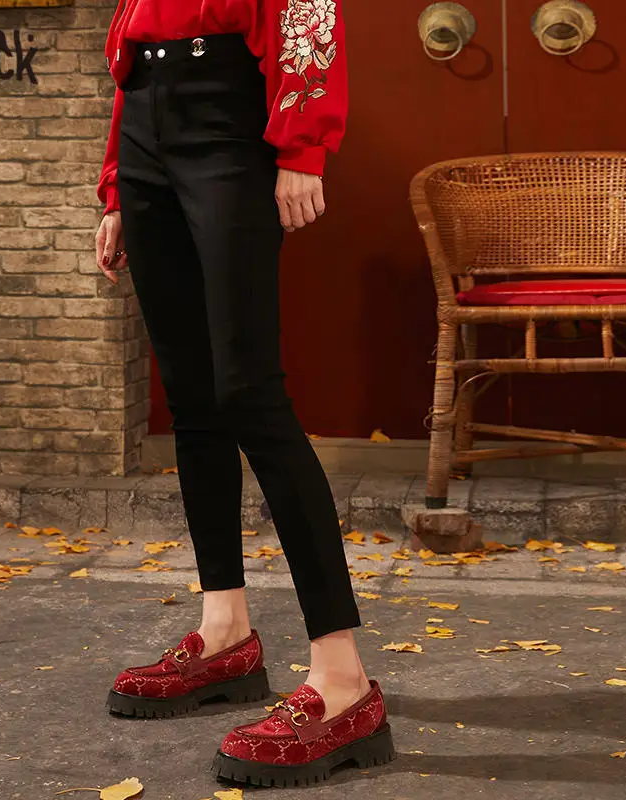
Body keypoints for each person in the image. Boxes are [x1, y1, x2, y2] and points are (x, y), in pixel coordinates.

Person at [94, 0, 394, 787]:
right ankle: (224, 632)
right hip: (144, 120)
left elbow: (307, 11)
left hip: (229, 117)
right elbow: (133, 35)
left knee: (249, 393)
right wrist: (118, 184)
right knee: (191, 400)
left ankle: (342, 680)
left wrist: (303, 146)